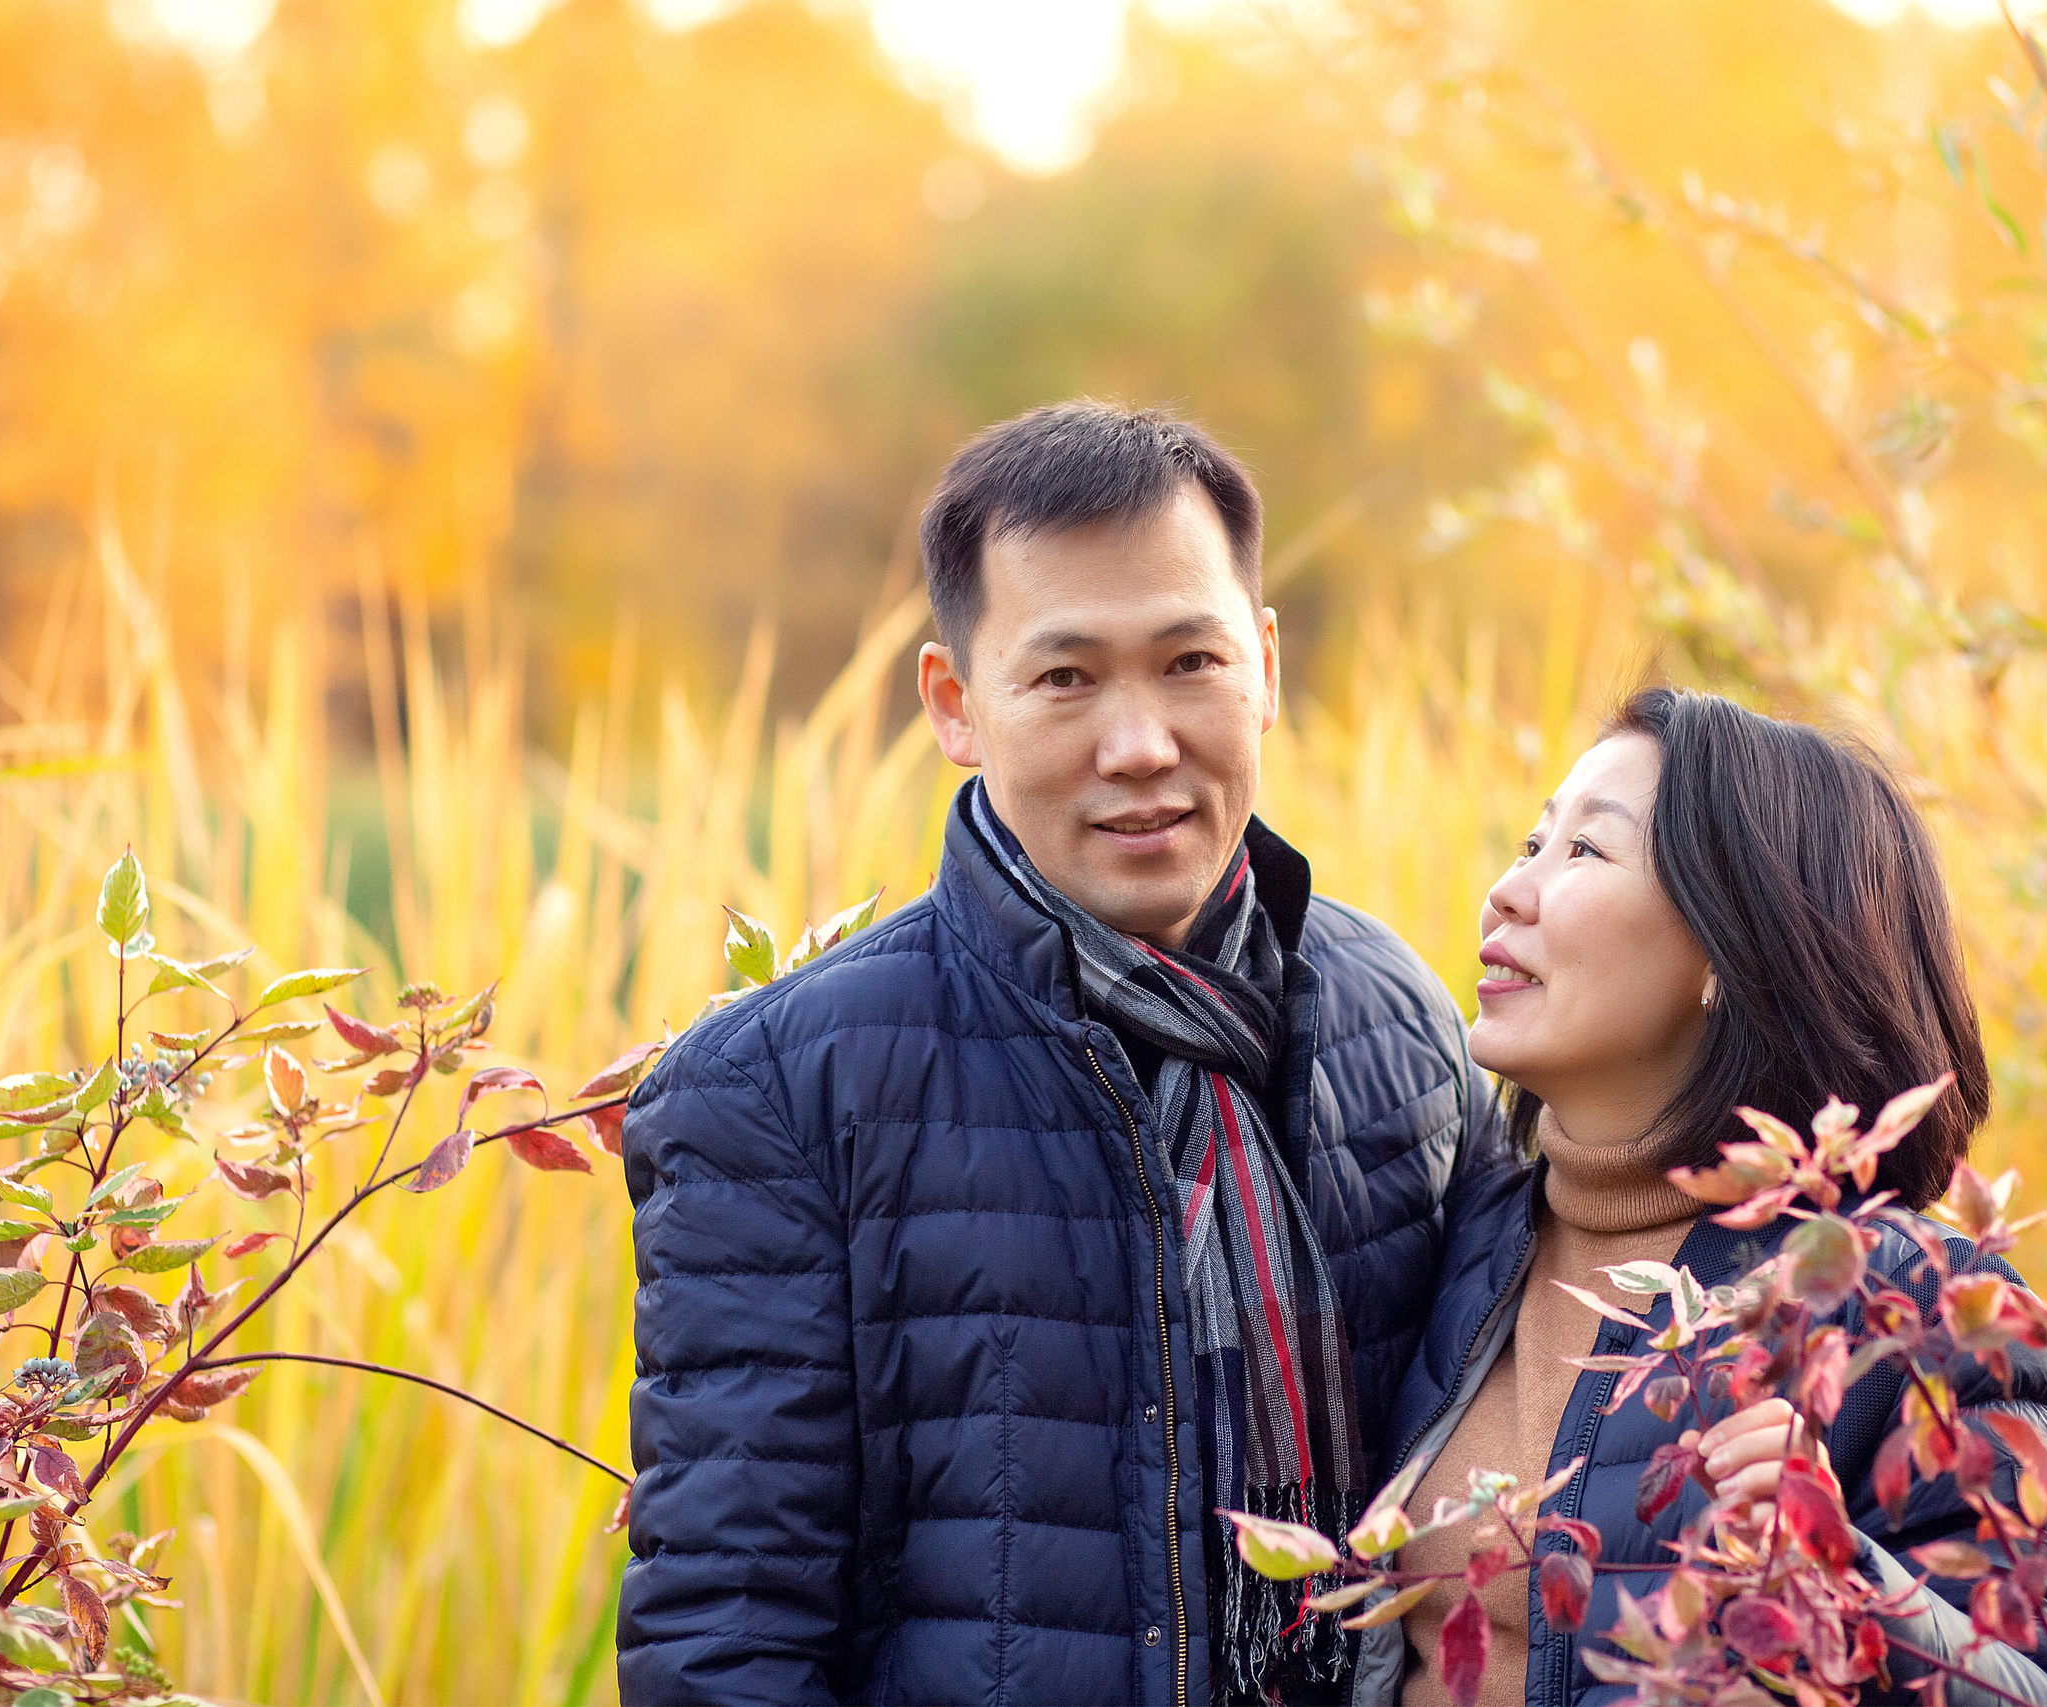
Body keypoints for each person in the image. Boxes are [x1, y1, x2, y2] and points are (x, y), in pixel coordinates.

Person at [617, 400, 1500, 1705]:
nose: (1139, 744)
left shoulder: (1397, 1018)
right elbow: (729, 1640)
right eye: (1066, 676)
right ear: (956, 704)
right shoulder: (782, 1088)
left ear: (1263, 664)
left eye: (1189, 661)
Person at [1357, 689, 2047, 1707]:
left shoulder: (1918, 1309)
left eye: (1583, 853)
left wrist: (1845, 1579)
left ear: (1727, 948)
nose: (1508, 891)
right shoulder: (1456, 1237)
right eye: (1529, 843)